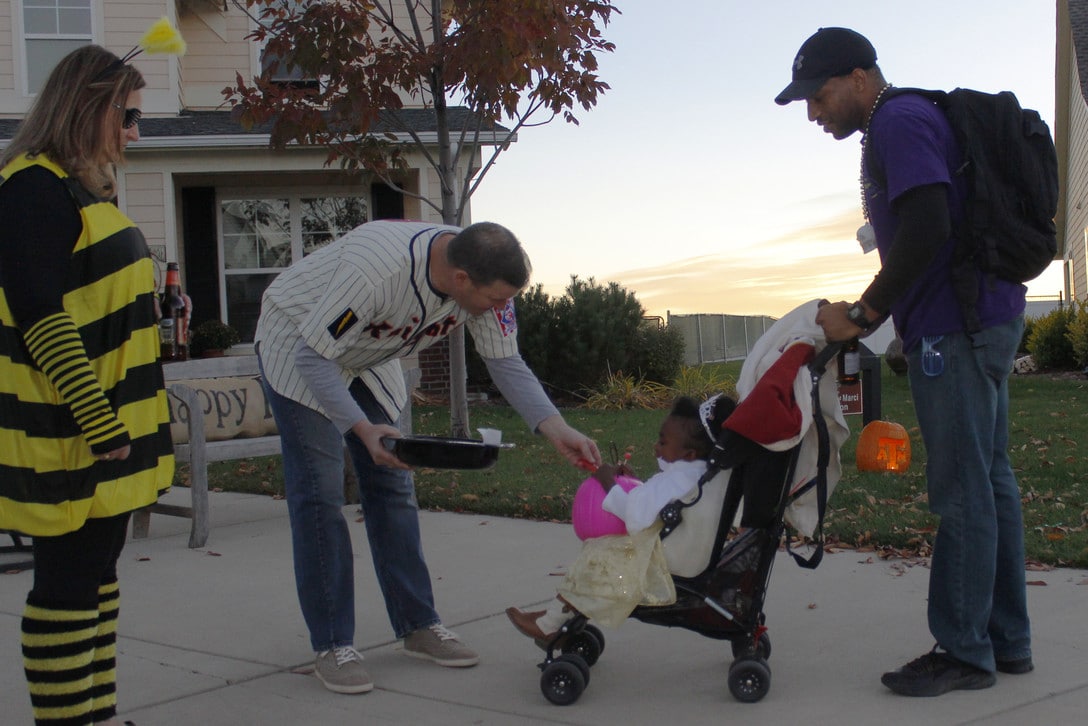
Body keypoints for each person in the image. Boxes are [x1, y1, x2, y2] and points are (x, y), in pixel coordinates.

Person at [776, 27, 1033, 697]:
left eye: (820, 94)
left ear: (860, 77)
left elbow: (927, 227)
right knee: (991, 479)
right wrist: (904, 324)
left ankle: (963, 650)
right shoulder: (910, 118)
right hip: (974, 319)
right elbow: (933, 233)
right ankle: (1007, 641)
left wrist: (863, 315)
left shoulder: (899, 121)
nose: (814, 111)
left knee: (963, 490)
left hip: (960, 328)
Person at [254, 219, 602, 694]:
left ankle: (417, 626)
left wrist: (555, 427)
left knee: (394, 486)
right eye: (496, 299)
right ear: (461, 280)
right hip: (300, 346)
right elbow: (314, 358)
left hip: (370, 357)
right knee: (319, 493)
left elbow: (505, 361)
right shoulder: (375, 272)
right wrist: (361, 428)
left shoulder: (484, 278)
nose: (503, 307)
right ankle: (333, 645)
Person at [0, 45, 175, 725]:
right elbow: (40, 318)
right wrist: (103, 426)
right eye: (128, 116)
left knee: (97, 582)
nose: (135, 133)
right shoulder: (30, 189)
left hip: (102, 429)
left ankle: (94, 715)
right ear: (89, 106)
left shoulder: (75, 190)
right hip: (68, 434)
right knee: (67, 589)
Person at [506, 394, 735, 641]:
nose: (656, 447)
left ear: (689, 454)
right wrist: (635, 484)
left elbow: (634, 516)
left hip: (667, 559)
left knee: (598, 557)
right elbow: (654, 502)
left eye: (663, 442)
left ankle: (551, 623)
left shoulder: (675, 480)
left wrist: (606, 481)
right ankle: (560, 617)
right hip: (690, 553)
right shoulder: (700, 475)